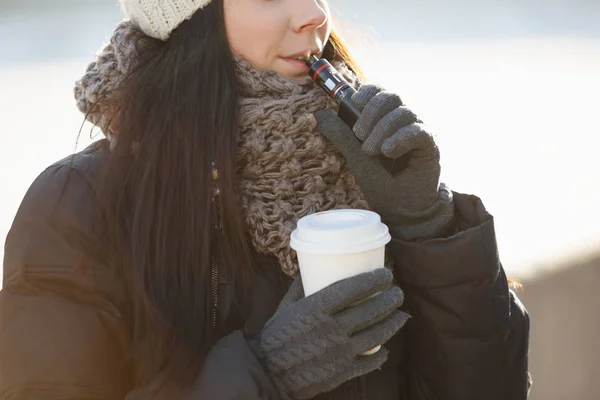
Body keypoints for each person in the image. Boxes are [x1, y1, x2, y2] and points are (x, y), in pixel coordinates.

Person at [0, 0, 531, 399]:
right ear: (190, 21)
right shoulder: (77, 207)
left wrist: (429, 225)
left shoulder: (363, 165)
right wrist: (269, 372)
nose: (313, 14)